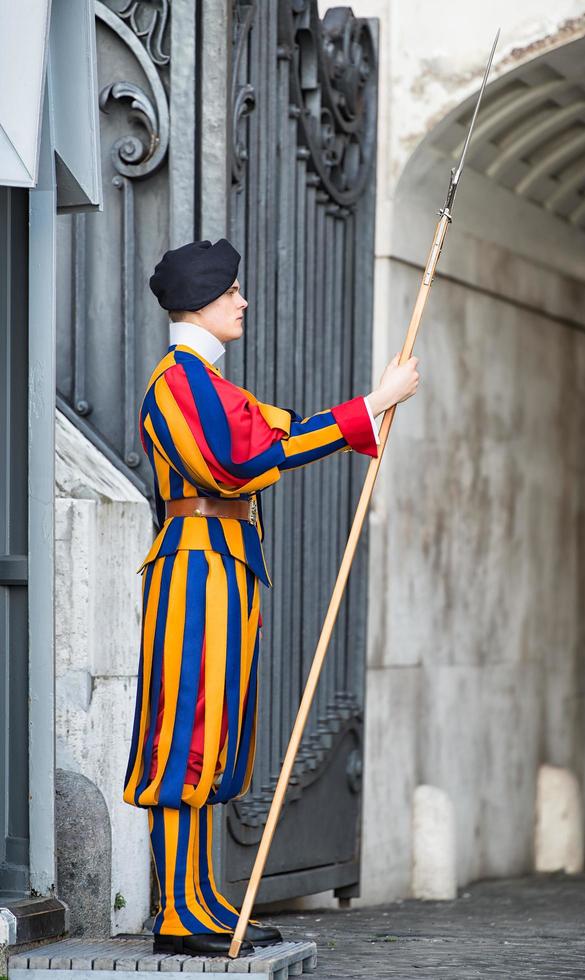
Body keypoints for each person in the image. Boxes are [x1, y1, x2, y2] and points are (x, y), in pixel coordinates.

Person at [123, 238, 419, 956]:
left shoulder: (211, 385)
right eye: (231, 293)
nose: (242, 301)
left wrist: (364, 413)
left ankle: (201, 899)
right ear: (200, 301)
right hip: (196, 568)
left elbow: (277, 428)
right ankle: (178, 912)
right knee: (186, 735)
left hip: (222, 567)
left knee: (215, 734)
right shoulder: (180, 383)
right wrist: (373, 404)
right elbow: (243, 460)